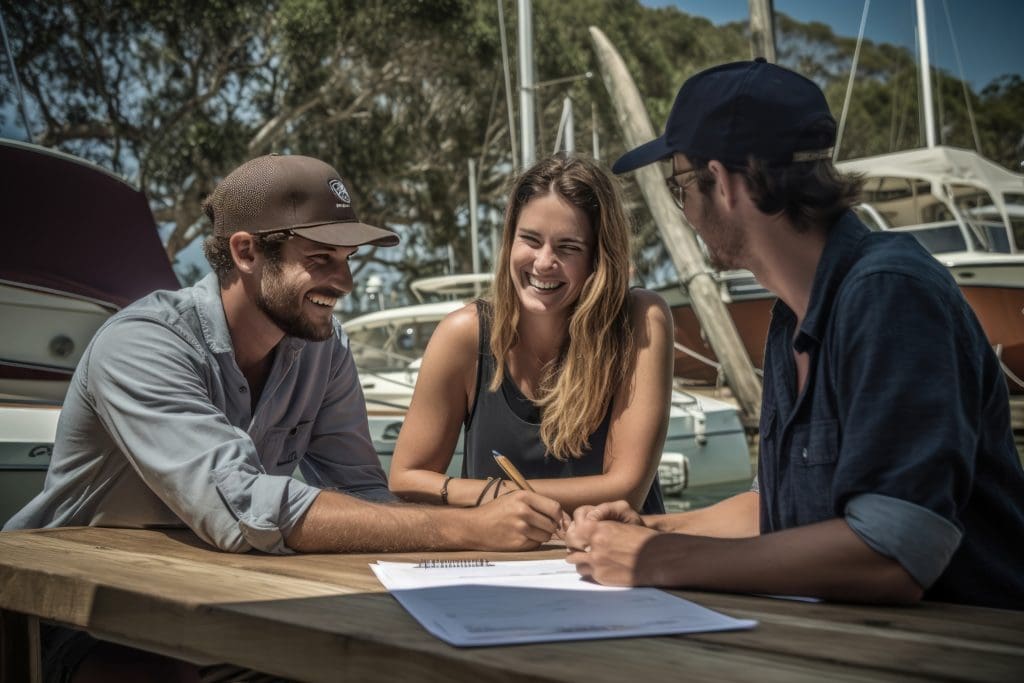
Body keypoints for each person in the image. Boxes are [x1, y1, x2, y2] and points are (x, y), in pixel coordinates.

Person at [4, 153, 564, 681]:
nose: (342, 283)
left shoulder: (324, 349)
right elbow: (243, 508)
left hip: (224, 603)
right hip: (77, 617)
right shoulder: (143, 345)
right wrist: (466, 529)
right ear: (246, 252)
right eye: (320, 259)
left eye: (347, 261)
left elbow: (363, 493)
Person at [564, 59, 1024, 610]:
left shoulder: (891, 294)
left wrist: (651, 561)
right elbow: (776, 510)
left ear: (727, 184)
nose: (683, 207)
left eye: (681, 184)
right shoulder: (791, 317)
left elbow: (894, 553)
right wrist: (654, 530)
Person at [388, 154, 673, 515]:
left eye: (568, 247)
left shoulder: (641, 321)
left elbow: (624, 491)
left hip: (614, 562)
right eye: (531, 240)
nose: (543, 262)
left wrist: (493, 496)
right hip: (499, 567)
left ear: (599, 259)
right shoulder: (463, 335)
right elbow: (405, 478)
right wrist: (501, 499)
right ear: (510, 240)